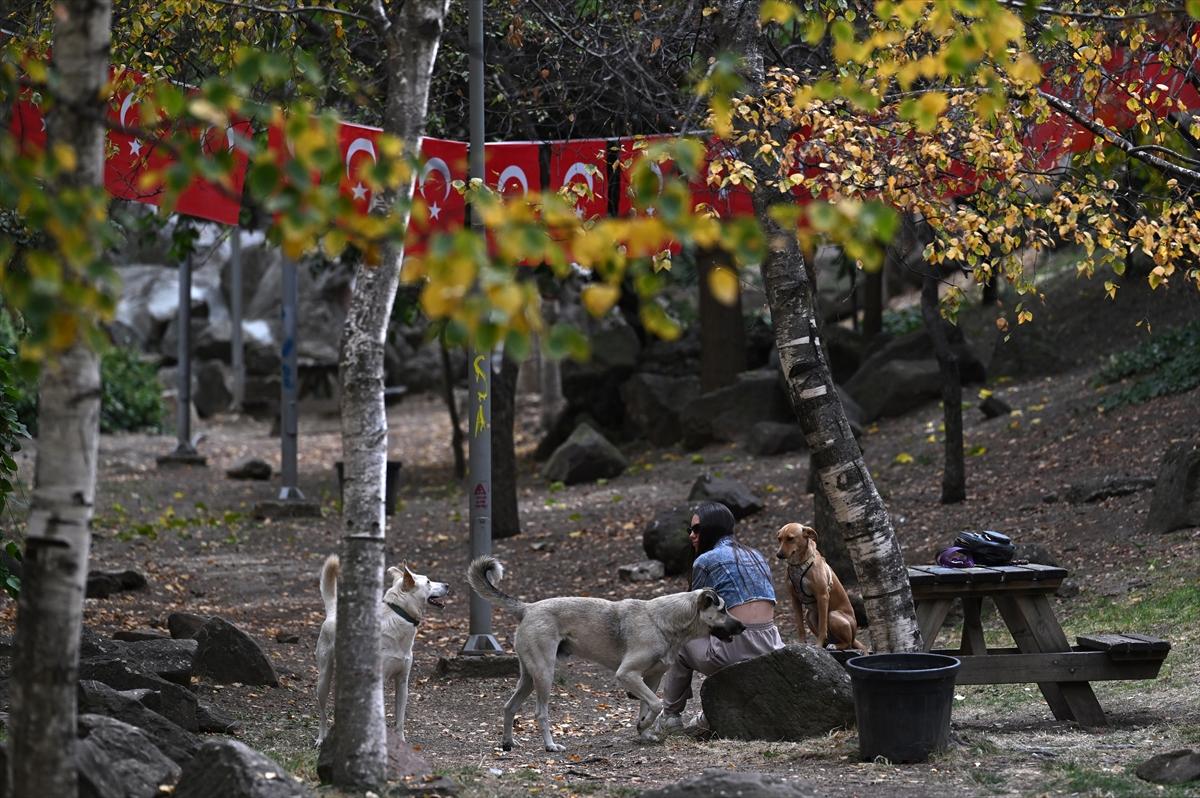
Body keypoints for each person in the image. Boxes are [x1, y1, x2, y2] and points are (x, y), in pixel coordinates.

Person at [659, 501, 784, 730]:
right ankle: (711, 715)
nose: (691, 536)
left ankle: (670, 717)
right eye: (690, 530)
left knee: (679, 641)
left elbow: (691, 612)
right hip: (771, 647)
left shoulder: (706, 561)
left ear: (712, 529)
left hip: (735, 649)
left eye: (696, 529)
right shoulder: (756, 555)